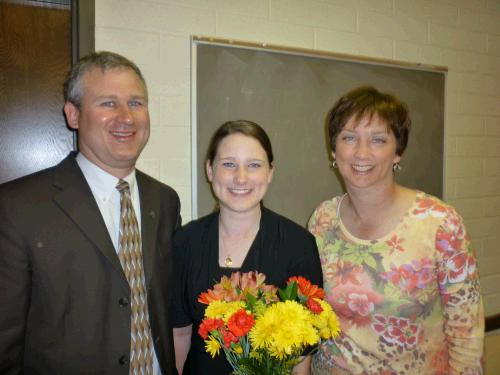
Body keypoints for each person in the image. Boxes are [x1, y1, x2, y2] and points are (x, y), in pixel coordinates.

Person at [0, 51, 181, 375]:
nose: (126, 117)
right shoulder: (17, 207)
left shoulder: (165, 202)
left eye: (136, 103)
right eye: (108, 103)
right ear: (73, 115)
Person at [308, 86, 484, 374]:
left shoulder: (439, 223)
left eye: (378, 140)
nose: (362, 153)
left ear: (397, 152)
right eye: (349, 138)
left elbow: (466, 336)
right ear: (334, 150)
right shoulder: (322, 220)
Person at [172, 120, 323, 374]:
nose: (240, 177)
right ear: (210, 170)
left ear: (270, 173)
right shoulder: (185, 241)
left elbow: (301, 356)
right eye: (229, 164)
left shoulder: (298, 245)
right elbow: (179, 334)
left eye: (254, 165)